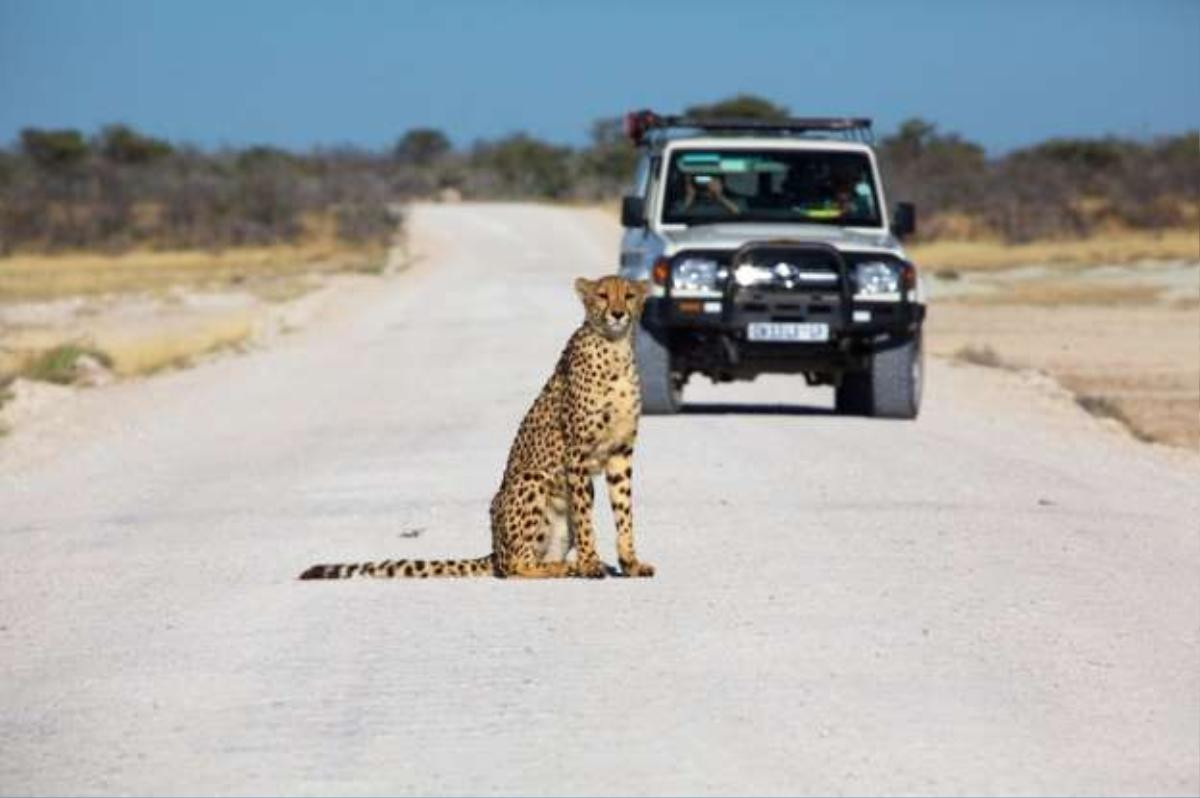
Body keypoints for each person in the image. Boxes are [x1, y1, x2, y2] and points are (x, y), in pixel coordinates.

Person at [674, 173, 744, 216]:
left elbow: (742, 217)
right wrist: (689, 197)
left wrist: (720, 196)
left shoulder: (737, 201)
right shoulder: (681, 204)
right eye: (699, 180)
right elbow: (674, 221)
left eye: (709, 179)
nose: (705, 183)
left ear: (721, 182)